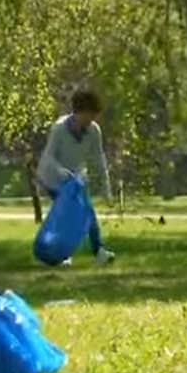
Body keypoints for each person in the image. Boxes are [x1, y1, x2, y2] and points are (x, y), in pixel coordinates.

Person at [35, 88, 116, 266]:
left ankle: (99, 251)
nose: (90, 120)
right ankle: (58, 254)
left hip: (75, 179)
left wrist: (106, 188)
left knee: (87, 212)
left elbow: (98, 159)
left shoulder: (94, 131)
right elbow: (48, 157)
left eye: (93, 116)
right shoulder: (59, 128)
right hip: (53, 178)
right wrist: (61, 171)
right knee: (67, 216)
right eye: (88, 115)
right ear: (78, 112)